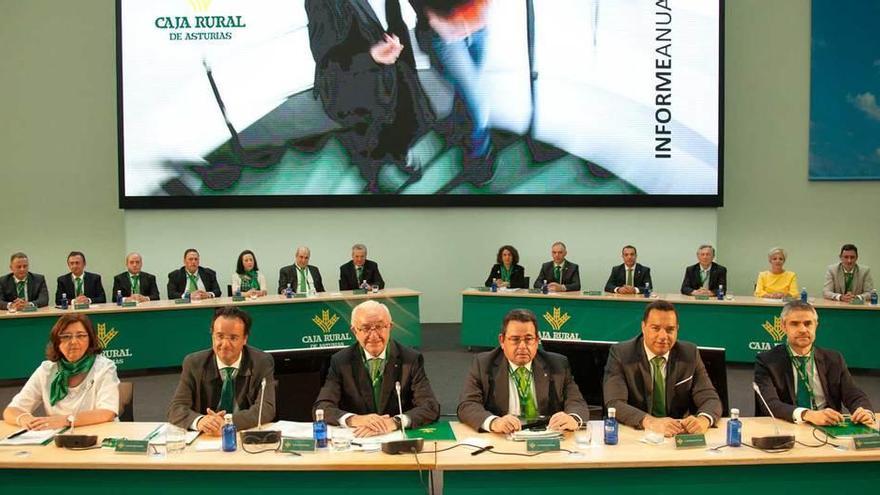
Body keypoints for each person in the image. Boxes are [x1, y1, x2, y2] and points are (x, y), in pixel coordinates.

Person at [304, 0, 435, 193]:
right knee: (370, 140)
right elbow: (326, 62)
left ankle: (399, 154)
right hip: (361, 87)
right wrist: (370, 56)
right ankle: (373, 178)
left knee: (405, 122)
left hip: (397, 71)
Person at [314, 300, 439, 436]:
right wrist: (355, 419)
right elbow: (322, 407)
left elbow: (430, 407)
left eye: (380, 327)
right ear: (354, 331)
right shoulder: (341, 361)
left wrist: (394, 422)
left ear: (390, 327)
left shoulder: (410, 359)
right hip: (358, 438)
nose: (374, 336)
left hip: (395, 438)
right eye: (366, 328)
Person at [457, 308, 589, 433]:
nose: (522, 346)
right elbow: (467, 405)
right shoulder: (484, 364)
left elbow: (576, 402)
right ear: (502, 341)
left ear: (537, 341)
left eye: (528, 339)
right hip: (504, 437)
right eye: (515, 339)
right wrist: (494, 422)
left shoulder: (558, 364)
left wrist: (573, 419)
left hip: (545, 436)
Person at [603, 300, 722, 436]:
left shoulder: (690, 354)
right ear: (643, 327)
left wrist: (703, 420)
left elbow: (710, 399)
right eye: (656, 328)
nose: (663, 336)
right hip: (637, 433)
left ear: (677, 329)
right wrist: (651, 422)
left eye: (670, 329)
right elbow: (614, 403)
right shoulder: (621, 354)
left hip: (677, 433)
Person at [754, 300, 874, 426]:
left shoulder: (834, 359)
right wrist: (807, 414)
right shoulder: (767, 361)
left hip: (829, 426)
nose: (802, 329)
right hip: (789, 425)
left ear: (816, 325)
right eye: (794, 324)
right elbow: (769, 403)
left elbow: (854, 394)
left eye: (808, 323)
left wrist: (864, 411)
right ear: (784, 327)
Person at [416, 0, 495, 186]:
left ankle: (459, 124)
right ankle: (480, 152)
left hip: (477, 26)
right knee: (477, 101)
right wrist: (433, 18)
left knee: (467, 91)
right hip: (443, 32)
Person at [167, 306, 276, 435]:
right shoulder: (194, 363)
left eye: (233, 338)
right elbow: (176, 408)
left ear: (245, 339)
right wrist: (200, 421)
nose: (225, 344)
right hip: (206, 437)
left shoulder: (262, 362)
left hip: (244, 434)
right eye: (220, 336)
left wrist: (227, 422)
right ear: (212, 336)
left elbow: (266, 408)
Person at [3, 314, 119, 430]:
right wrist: (25, 419)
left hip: (97, 433)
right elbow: (11, 410)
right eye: (66, 336)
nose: (74, 341)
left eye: (81, 336)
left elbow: (107, 412)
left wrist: (66, 420)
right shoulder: (46, 370)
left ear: (90, 339)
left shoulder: (104, 367)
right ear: (57, 342)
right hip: (57, 437)